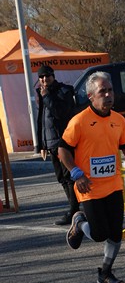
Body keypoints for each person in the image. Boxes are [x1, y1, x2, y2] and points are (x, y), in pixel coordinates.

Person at [58, 71, 125, 283]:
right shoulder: (79, 121)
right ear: (91, 96)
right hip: (90, 186)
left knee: (115, 233)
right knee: (99, 234)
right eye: (102, 91)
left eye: (110, 90)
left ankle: (105, 273)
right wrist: (76, 173)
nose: (108, 95)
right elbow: (63, 150)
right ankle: (79, 223)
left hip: (114, 183)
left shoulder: (119, 120)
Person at [36, 63, 79, 225]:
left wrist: (47, 96)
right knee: (61, 178)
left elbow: (60, 113)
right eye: (41, 77)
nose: (44, 79)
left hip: (64, 141)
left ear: (53, 76)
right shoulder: (41, 93)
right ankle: (74, 208)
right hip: (51, 143)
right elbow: (41, 120)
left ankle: (74, 210)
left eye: (47, 76)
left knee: (69, 177)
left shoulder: (64, 91)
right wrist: (41, 145)